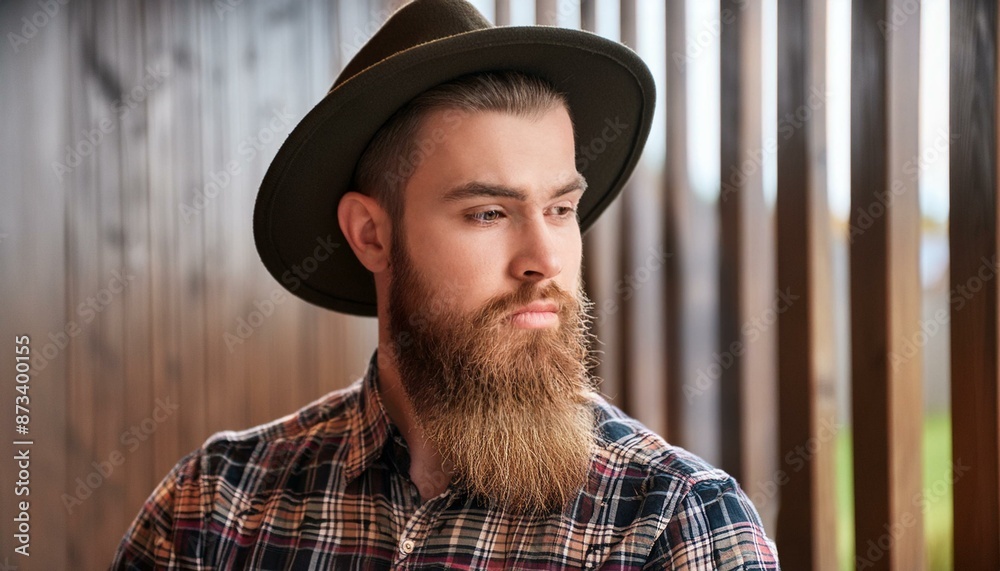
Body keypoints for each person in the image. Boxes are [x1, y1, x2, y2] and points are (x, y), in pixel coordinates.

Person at [112, 0, 780, 568]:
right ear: (371, 234)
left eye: (560, 209)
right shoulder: (213, 511)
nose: (544, 257)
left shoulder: (675, 526)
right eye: (489, 213)